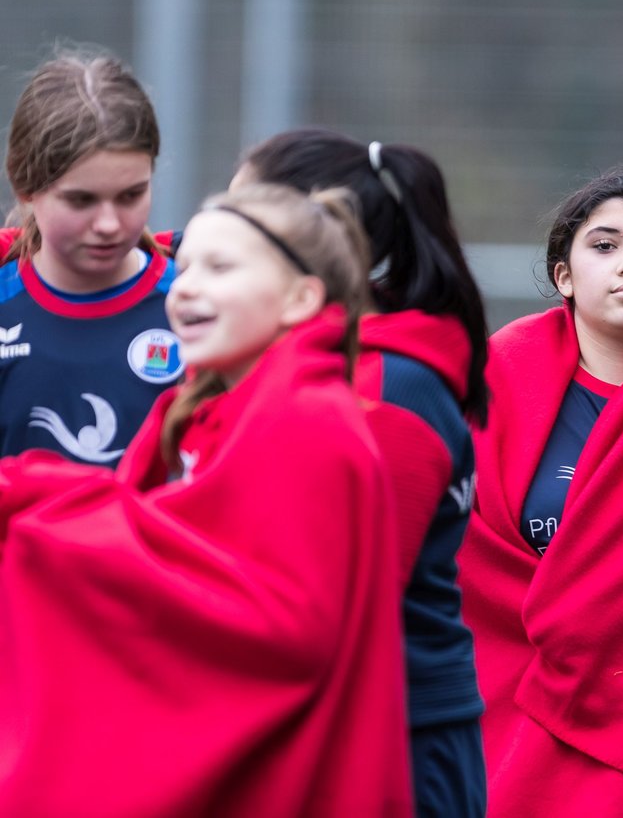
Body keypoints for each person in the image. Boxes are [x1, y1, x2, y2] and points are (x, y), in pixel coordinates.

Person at [0, 183, 413, 816]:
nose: (186, 286)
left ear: (301, 298)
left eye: (220, 268)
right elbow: (169, 536)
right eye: (187, 266)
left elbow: (279, 630)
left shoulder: (308, 421)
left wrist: (57, 537)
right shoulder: (218, 408)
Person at [233, 128, 489, 818]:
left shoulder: (389, 391)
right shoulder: (329, 371)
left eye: (241, 231)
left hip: (400, 740)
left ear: (310, 240)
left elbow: (347, 601)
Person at [457, 166, 623, 818]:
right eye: (604, 246)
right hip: (508, 713)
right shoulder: (496, 379)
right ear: (564, 275)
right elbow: (465, 566)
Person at [0, 48, 182, 465]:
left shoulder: (195, 308)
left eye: (131, 195)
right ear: (25, 187)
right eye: (81, 200)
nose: (109, 224)